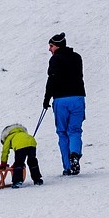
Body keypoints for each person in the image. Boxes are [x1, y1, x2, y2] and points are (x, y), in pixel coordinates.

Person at [43, 33, 86, 176]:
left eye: (51, 46)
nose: (50, 49)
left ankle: (68, 166)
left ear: (58, 46)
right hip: (78, 98)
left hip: (61, 99)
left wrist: (46, 99)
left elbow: (52, 79)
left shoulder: (55, 59)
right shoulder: (77, 57)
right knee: (74, 130)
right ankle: (75, 155)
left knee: (62, 132)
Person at [0, 123, 41, 188]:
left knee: (18, 164)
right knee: (32, 161)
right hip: (31, 142)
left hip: (20, 146)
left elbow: (5, 152)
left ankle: (17, 181)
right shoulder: (22, 133)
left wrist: (3, 164)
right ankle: (37, 179)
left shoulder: (8, 137)